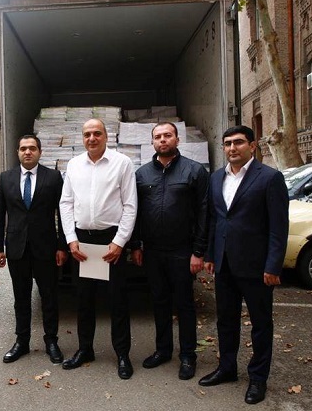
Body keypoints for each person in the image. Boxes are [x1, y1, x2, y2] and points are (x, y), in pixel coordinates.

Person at [199, 125, 289, 405]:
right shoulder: (217, 178)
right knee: (226, 320)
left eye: (238, 142)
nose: (232, 148)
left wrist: (273, 266)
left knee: (260, 324)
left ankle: (258, 379)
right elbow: (215, 219)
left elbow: (278, 227)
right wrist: (211, 255)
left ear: (252, 145)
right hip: (224, 263)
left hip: (257, 267)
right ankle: (227, 368)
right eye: (227, 143)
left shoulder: (270, 178)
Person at [59, 118, 138, 379]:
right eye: (87, 134)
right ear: (82, 138)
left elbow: (130, 205)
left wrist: (120, 242)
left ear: (106, 136)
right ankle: (85, 350)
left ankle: (122, 354)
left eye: (96, 133)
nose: (91, 138)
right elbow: (66, 203)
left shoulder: (122, 163)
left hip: (110, 241)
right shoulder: (74, 165)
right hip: (83, 241)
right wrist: (71, 239)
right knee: (84, 300)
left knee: (117, 300)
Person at [130, 122, 208, 381]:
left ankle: (188, 355)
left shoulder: (194, 171)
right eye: (158, 137)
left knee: (184, 304)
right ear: (152, 142)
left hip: (182, 251)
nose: (162, 140)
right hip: (153, 251)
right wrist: (136, 245)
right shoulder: (142, 175)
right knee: (159, 301)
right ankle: (163, 350)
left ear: (177, 139)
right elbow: (134, 212)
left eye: (167, 135)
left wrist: (199, 251)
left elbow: (204, 213)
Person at [0, 134, 69, 364]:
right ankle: (22, 342)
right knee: (21, 297)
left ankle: (51, 341)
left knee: (49, 296)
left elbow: (63, 213)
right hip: (17, 248)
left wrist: (62, 246)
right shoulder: (6, 178)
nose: (28, 152)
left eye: (32, 148)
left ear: (39, 152)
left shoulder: (53, 177)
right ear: (18, 152)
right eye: (23, 148)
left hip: (46, 248)